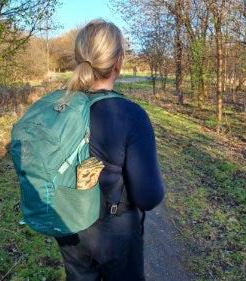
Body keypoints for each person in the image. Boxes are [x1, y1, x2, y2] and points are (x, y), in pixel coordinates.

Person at [55, 19, 165, 281]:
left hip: (69, 225)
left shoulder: (59, 109)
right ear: (118, 63)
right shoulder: (131, 116)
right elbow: (149, 197)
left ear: (78, 59)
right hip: (115, 233)